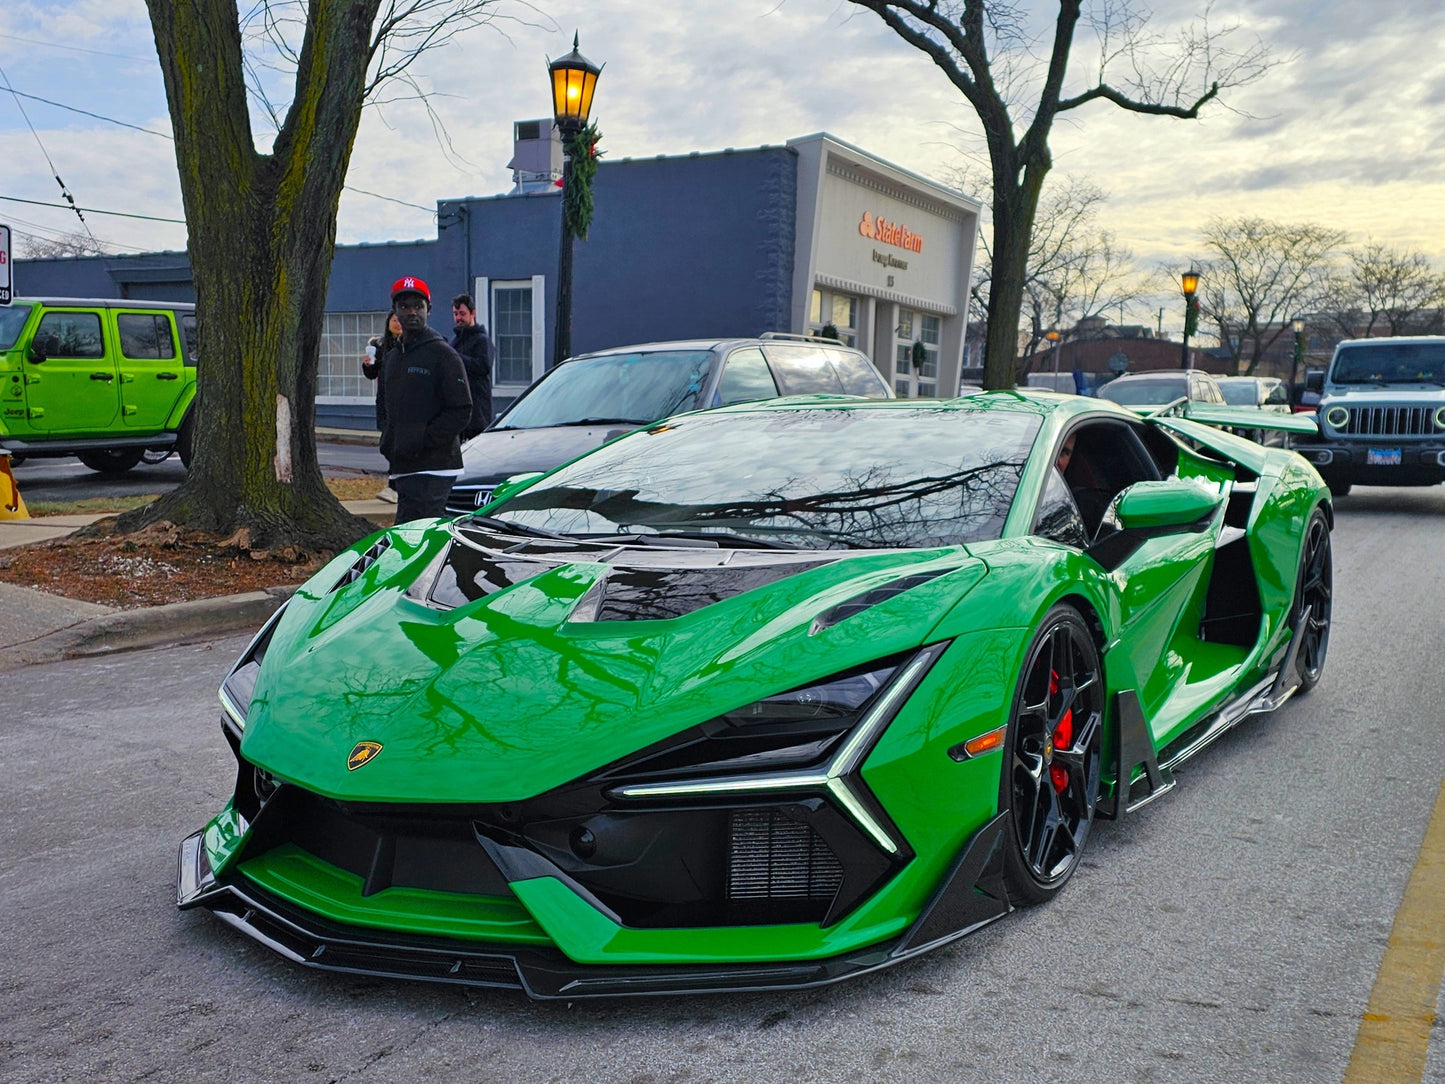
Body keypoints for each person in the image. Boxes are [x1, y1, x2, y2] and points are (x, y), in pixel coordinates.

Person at [378, 276, 473, 523]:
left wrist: (422, 440)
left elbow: (461, 410)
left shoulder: (443, 355)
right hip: (404, 466)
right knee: (406, 535)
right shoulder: (392, 358)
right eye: (405, 306)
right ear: (395, 311)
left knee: (422, 535)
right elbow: (385, 407)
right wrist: (388, 442)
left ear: (428, 310)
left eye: (418, 306)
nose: (412, 312)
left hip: (436, 466)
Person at [450, 293, 493, 440]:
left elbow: (483, 366)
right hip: (458, 410)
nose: (458, 318)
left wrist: (456, 358)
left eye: (462, 313)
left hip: (477, 411)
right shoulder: (455, 341)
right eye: (455, 314)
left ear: (472, 313)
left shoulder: (482, 340)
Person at [361, 312, 403, 430]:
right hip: (385, 398)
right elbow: (372, 374)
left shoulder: (411, 344)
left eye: (400, 320)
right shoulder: (380, 345)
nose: (397, 324)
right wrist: (368, 365)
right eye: (394, 320)